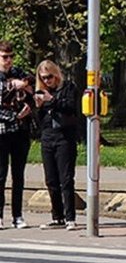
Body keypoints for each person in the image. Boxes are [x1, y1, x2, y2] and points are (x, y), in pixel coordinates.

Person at [33, 60, 79, 231]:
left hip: (64, 136)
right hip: (48, 136)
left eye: (50, 77)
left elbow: (69, 108)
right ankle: (57, 216)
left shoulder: (68, 88)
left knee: (65, 178)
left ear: (56, 74)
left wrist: (51, 100)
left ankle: (70, 217)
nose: (47, 81)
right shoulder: (42, 91)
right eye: (43, 78)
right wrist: (38, 107)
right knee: (51, 179)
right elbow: (40, 121)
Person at [0, 40, 33, 229]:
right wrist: (14, 115)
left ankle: (17, 215)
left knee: (18, 175)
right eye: (5, 57)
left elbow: (30, 81)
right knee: (0, 174)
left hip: (20, 132)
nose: (9, 61)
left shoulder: (17, 73)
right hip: (2, 132)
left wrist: (24, 85)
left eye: (11, 57)